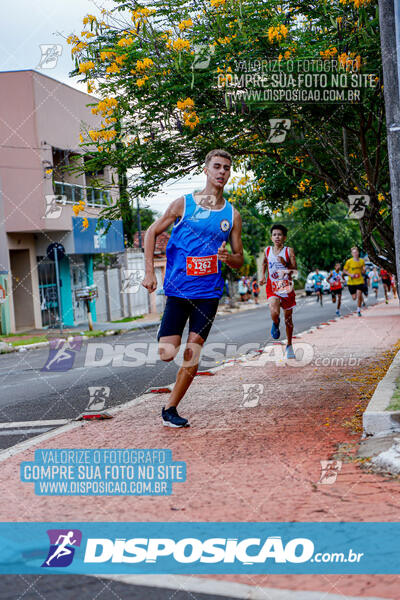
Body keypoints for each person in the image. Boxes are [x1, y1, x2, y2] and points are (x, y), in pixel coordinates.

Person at [142, 149, 244, 428]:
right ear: (206, 170)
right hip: (178, 291)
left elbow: (240, 259)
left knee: (194, 350)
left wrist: (228, 258)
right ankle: (167, 340)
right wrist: (150, 272)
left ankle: (170, 408)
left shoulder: (232, 215)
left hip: (208, 295)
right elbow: (151, 232)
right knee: (166, 354)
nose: (222, 172)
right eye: (217, 167)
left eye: (226, 168)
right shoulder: (183, 205)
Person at [259, 223, 297, 359]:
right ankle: (275, 322)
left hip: (286, 287)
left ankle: (289, 345)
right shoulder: (267, 250)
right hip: (272, 287)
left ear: (284, 237)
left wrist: (285, 263)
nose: (277, 237)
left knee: (288, 320)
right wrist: (263, 276)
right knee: (274, 312)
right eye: (274, 234)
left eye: (279, 235)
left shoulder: (288, 251)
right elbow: (264, 263)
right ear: (271, 237)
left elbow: (294, 269)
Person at [343, 246, 366, 316]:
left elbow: (363, 271)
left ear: (358, 253)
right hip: (351, 282)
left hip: (359, 281)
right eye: (354, 253)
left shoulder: (362, 261)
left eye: (356, 252)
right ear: (352, 254)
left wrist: (364, 270)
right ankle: (360, 298)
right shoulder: (349, 262)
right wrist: (350, 274)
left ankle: (358, 310)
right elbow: (344, 271)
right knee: (354, 298)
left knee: (359, 295)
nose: (355, 254)